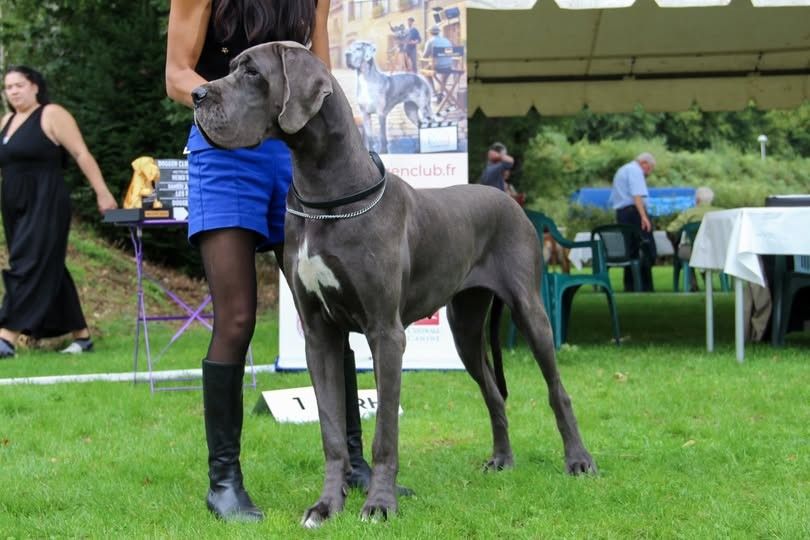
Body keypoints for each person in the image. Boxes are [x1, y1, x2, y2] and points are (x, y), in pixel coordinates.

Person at [165, 0, 381, 522]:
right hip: (223, 150)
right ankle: (224, 483)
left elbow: (320, 73)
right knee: (237, 319)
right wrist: (236, 106)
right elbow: (176, 75)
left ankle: (354, 465)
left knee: (328, 313)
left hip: (295, 154)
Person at [0, 66, 118, 359]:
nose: (13, 91)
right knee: (47, 264)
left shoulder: (52, 114)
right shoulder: (6, 121)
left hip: (46, 198)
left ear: (34, 86)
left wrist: (102, 192)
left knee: (28, 263)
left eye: (18, 85)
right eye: (8, 87)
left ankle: (6, 336)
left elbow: (81, 153)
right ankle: (82, 337)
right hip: (14, 203)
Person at [608, 152, 657, 292]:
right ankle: (646, 285)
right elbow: (637, 196)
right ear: (644, 163)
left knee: (630, 250)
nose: (648, 173)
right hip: (633, 213)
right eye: (649, 168)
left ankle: (630, 285)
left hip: (622, 214)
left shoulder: (623, 170)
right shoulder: (635, 171)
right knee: (647, 248)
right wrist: (644, 216)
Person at [666, 186, 724, 289]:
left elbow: (670, 229)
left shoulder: (689, 213)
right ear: (711, 199)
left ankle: (693, 283)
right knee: (699, 251)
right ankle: (718, 285)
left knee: (686, 250)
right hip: (718, 251)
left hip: (693, 251)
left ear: (697, 199)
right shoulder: (722, 212)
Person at [422, 25, 453, 97]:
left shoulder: (430, 41)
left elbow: (425, 56)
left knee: (425, 71)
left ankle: (433, 92)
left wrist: (420, 54)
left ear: (430, 33)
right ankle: (441, 92)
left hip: (437, 67)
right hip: (449, 67)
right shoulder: (446, 40)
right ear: (438, 32)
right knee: (444, 72)